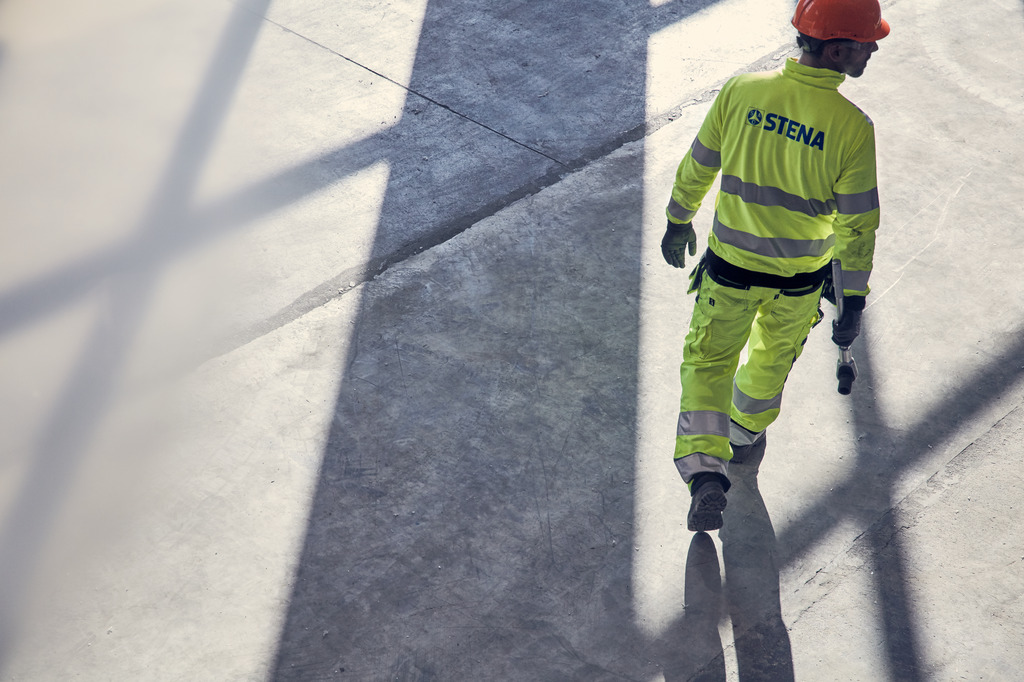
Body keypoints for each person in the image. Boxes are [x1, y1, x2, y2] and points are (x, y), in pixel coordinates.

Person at [660, 0, 889, 532]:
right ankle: (743, 435)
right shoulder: (852, 127)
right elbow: (857, 227)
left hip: (730, 273)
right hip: (799, 284)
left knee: (708, 363)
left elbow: (699, 163)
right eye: (865, 43)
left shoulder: (742, 92)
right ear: (837, 51)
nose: (873, 50)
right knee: (771, 360)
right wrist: (852, 300)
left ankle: (705, 472)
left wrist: (678, 219)